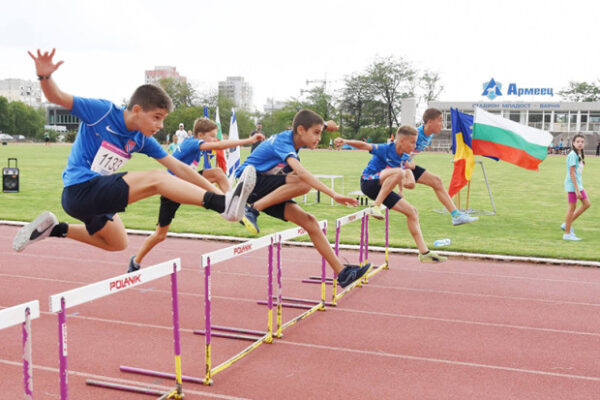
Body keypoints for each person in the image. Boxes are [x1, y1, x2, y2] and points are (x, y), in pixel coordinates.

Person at [13, 48, 256, 253]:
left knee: (117, 243)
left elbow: (180, 168)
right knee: (158, 178)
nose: (160, 125)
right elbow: (57, 96)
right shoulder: (101, 112)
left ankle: (55, 228)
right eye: (157, 117)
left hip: (97, 197)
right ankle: (221, 204)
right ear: (137, 109)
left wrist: (223, 197)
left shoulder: (141, 139)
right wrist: (44, 76)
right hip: (79, 190)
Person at [238, 109, 371, 288]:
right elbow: (301, 172)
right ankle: (252, 210)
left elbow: (312, 123)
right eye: (316, 133)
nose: (319, 138)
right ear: (301, 130)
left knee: (310, 222)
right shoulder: (283, 141)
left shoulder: (297, 136)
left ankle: (343, 273)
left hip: (263, 190)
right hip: (249, 182)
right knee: (303, 182)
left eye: (320, 133)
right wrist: (334, 194)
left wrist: (326, 125)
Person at [128, 118, 265, 272]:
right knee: (160, 235)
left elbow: (212, 150)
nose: (215, 139)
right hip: (171, 189)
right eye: (212, 136)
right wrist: (248, 140)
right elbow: (218, 145)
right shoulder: (192, 143)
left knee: (217, 174)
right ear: (200, 135)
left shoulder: (193, 145)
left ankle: (230, 204)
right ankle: (136, 261)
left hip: (187, 181)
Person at [335, 127, 447, 263]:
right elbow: (364, 145)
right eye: (412, 142)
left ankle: (424, 252)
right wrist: (345, 141)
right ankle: (375, 206)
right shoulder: (385, 148)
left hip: (383, 187)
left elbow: (400, 171)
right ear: (401, 141)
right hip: (368, 182)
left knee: (412, 212)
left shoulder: (404, 157)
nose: (414, 146)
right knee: (399, 172)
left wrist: (402, 189)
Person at [408, 108, 478, 226]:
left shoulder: (429, 136)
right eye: (440, 120)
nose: (443, 124)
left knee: (437, 181)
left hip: (405, 166)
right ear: (430, 122)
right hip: (394, 166)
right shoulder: (415, 134)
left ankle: (456, 216)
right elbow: (397, 154)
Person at [562, 134, 591, 241]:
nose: (580, 143)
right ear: (573, 143)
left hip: (578, 185)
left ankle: (567, 224)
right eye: (578, 141)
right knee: (572, 208)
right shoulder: (572, 155)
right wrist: (577, 190)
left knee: (587, 204)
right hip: (573, 186)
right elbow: (572, 174)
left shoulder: (579, 154)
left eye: (582, 142)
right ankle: (567, 234)